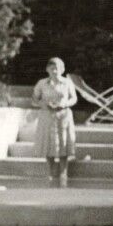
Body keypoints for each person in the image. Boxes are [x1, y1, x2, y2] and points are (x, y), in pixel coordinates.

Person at [30, 57, 78, 186]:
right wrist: (44, 104)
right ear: (47, 69)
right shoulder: (41, 83)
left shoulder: (67, 82)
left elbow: (74, 98)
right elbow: (34, 99)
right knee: (48, 143)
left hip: (63, 115)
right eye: (52, 68)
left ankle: (63, 171)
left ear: (62, 70)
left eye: (57, 68)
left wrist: (64, 104)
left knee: (63, 142)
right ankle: (51, 171)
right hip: (47, 115)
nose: (55, 71)